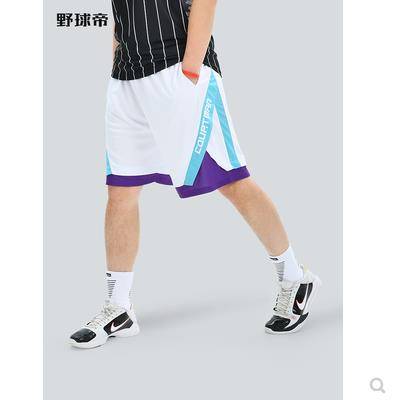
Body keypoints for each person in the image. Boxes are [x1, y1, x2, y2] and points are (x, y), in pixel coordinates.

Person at [69, 0, 321, 349]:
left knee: (231, 180)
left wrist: (190, 70)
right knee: (121, 190)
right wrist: (117, 63)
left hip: (178, 69)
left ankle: (294, 278)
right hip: (126, 81)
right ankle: (118, 306)